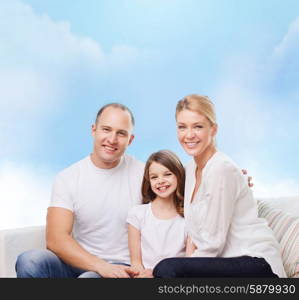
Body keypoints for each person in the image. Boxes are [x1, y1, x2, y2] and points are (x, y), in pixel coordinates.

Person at [153, 94, 286, 278]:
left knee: (167, 269)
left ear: (213, 130)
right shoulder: (190, 170)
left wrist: (183, 268)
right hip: (225, 262)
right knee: (168, 269)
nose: (189, 135)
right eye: (182, 127)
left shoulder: (221, 169)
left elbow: (212, 244)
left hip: (256, 263)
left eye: (198, 126)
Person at [15, 103, 145, 278]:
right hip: (81, 263)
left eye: (121, 133)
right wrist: (100, 266)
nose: (112, 139)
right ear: (94, 130)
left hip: (124, 268)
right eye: (106, 129)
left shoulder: (144, 174)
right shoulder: (68, 178)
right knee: (29, 260)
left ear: (130, 140)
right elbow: (55, 239)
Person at [126, 150, 186, 278]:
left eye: (167, 174)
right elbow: (135, 263)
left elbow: (189, 264)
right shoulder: (137, 214)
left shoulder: (188, 216)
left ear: (179, 175)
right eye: (154, 177)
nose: (161, 181)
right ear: (149, 181)